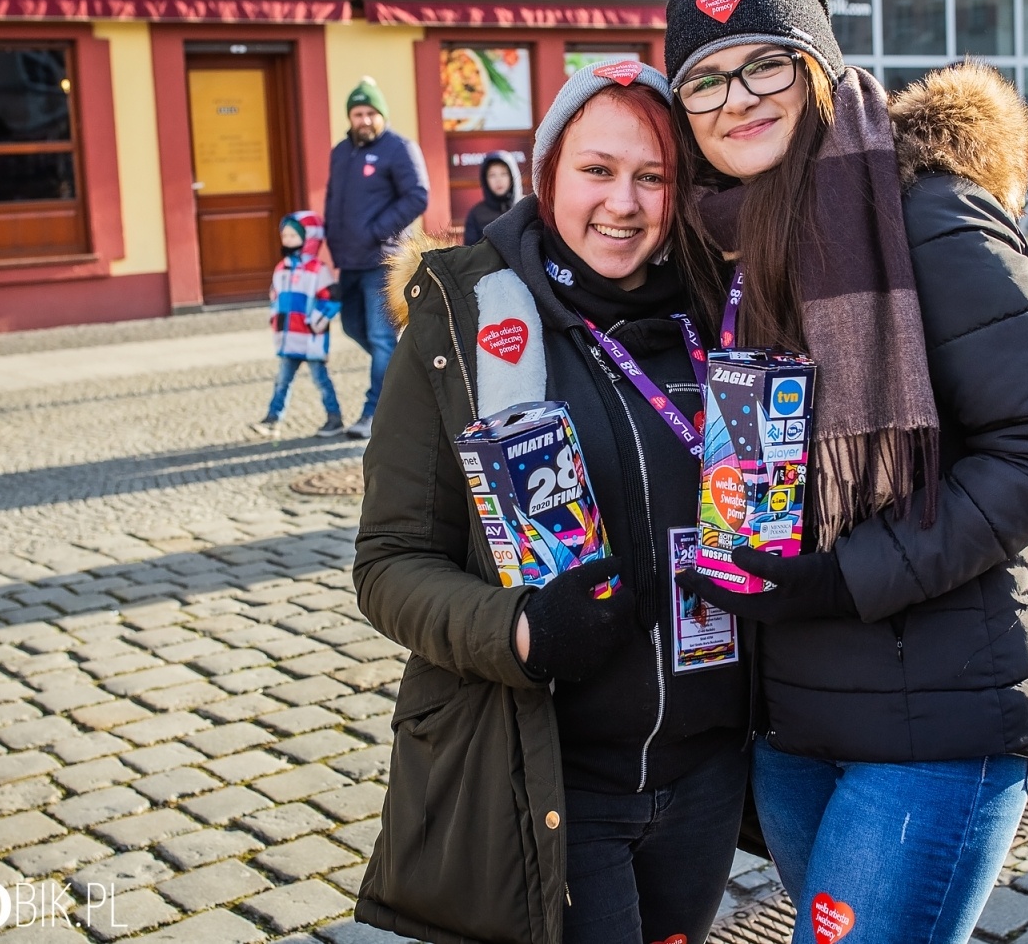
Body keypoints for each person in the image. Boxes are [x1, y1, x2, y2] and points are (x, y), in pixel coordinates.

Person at [664, 0, 1028, 944]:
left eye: (765, 67)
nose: (737, 98)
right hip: (789, 716)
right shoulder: (708, 242)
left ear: (819, 71)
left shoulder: (923, 212)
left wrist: (837, 579)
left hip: (933, 710)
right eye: (706, 79)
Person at [352, 61, 748, 944]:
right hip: (559, 781)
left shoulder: (727, 309)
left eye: (654, 176)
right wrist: (522, 629)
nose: (624, 202)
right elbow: (387, 566)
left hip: (711, 777)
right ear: (547, 174)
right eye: (597, 170)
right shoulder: (465, 323)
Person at [323, 76, 430, 439]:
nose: (364, 119)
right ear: (349, 117)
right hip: (349, 259)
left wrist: (376, 231)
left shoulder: (398, 148)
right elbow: (332, 199)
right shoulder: (340, 151)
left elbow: (417, 196)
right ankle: (409, 375)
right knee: (353, 327)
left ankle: (375, 412)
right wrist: (334, 240)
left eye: (371, 112)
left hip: (382, 260)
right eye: (358, 113)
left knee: (382, 338)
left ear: (381, 115)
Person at [251, 211, 345, 439]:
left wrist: (316, 323)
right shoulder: (281, 268)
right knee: (282, 380)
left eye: (293, 235)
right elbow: (275, 297)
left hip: (311, 337)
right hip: (288, 337)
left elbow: (331, 299)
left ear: (309, 237)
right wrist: (275, 320)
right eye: (285, 235)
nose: (288, 239)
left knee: (321, 380)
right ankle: (273, 419)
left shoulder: (318, 270)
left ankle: (335, 419)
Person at [463, 150, 522, 245]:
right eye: (492, 175)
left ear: (512, 176)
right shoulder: (476, 214)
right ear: (485, 180)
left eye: (503, 174)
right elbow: (469, 254)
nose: (498, 180)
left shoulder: (526, 207)